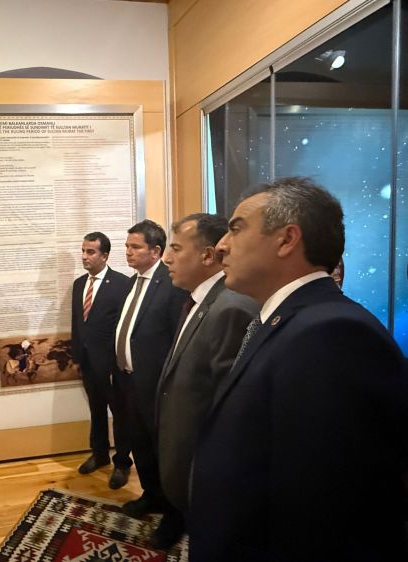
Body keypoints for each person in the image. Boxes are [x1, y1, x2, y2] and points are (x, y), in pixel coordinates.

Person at [190, 177, 408, 561]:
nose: (221, 245)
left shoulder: (332, 333)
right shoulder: (288, 320)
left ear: (287, 239)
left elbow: (323, 509)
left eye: (236, 228)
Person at [151, 213, 259, 549]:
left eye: (176, 249)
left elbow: (229, 412)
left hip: (205, 473)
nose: (167, 258)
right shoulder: (200, 302)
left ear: (208, 255)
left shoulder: (229, 308)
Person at [114, 220, 189, 519]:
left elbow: (177, 337)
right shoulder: (132, 281)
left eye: (135, 247)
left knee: (162, 449)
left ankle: (173, 511)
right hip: (128, 380)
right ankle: (151, 495)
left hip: (156, 385)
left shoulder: (171, 285)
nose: (128, 252)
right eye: (127, 246)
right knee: (139, 442)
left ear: (156, 251)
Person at [70, 232, 132, 489]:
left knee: (120, 413)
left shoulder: (122, 284)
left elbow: (124, 327)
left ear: (104, 256)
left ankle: (122, 463)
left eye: (91, 252)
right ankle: (99, 454)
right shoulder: (78, 284)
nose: (84, 256)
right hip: (87, 361)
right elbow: (77, 324)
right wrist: (76, 357)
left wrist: (116, 362)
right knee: (96, 410)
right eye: (83, 251)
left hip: (111, 363)